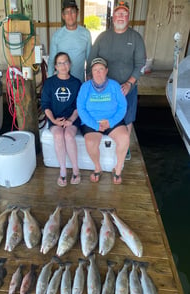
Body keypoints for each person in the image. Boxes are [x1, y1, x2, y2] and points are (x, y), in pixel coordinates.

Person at [86, 1, 146, 160]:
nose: (121, 16)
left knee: (127, 118)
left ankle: (124, 147)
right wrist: (90, 81)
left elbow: (141, 65)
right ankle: (104, 143)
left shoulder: (135, 37)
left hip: (127, 88)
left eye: (124, 13)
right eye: (118, 13)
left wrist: (129, 83)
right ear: (113, 17)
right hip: (103, 89)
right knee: (104, 114)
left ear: (128, 17)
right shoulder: (103, 37)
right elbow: (91, 60)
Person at [77, 57, 129, 185]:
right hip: (92, 121)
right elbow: (81, 108)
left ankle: (117, 170)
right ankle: (97, 168)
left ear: (106, 71)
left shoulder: (114, 85)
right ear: (91, 72)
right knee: (90, 142)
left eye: (101, 69)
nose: (98, 72)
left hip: (112, 120)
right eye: (95, 70)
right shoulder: (85, 87)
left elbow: (123, 106)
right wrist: (95, 125)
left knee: (125, 138)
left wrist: (110, 122)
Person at [41, 52, 82, 187]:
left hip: (72, 118)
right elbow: (45, 105)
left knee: (69, 135)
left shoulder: (76, 83)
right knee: (58, 135)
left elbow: (78, 106)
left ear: (70, 65)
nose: (63, 66)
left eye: (65, 62)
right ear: (55, 66)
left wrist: (70, 120)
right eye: (60, 63)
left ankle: (76, 170)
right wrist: (53, 120)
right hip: (55, 118)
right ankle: (63, 170)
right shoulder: (49, 83)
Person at [47, 0, 92, 83]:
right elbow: (51, 61)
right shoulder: (57, 35)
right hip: (61, 83)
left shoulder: (86, 34)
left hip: (79, 83)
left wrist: (89, 79)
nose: (70, 15)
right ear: (63, 16)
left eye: (73, 11)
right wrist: (49, 82)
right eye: (67, 12)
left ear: (77, 13)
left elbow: (89, 60)